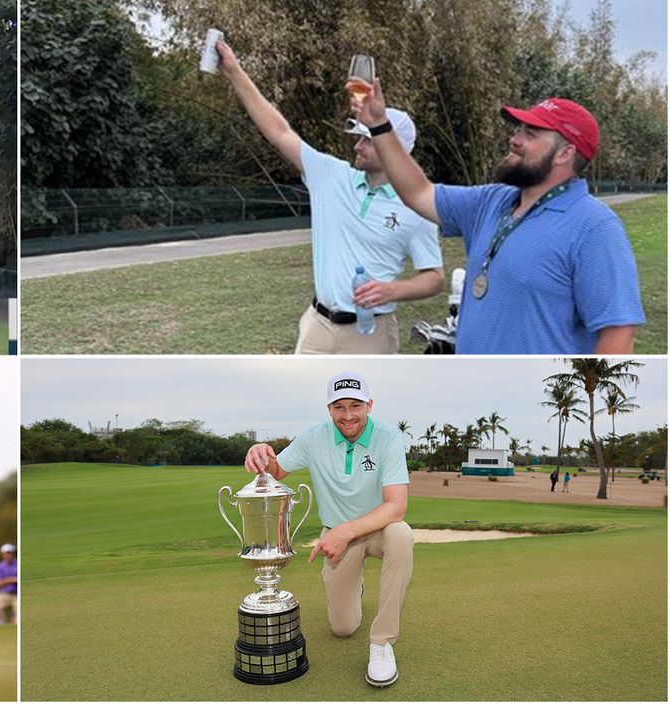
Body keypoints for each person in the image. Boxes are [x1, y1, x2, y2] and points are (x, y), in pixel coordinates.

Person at [350, 77, 644, 353]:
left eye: (530, 134)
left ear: (564, 153)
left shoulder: (594, 228)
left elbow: (618, 334)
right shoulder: (492, 200)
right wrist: (379, 126)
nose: (514, 139)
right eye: (518, 130)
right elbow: (418, 193)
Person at [214, 39, 443, 354]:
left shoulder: (417, 207)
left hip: (372, 334)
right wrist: (234, 71)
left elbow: (434, 278)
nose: (357, 146)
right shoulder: (331, 176)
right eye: (358, 138)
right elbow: (280, 132)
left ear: (396, 148)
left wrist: (393, 290)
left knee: (363, 404)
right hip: (317, 328)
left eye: (367, 141)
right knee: (301, 403)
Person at [243, 371, 412, 687]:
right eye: (339, 407)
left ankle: (382, 642)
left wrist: (346, 531)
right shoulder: (314, 436)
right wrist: (261, 454)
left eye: (355, 406)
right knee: (343, 628)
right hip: (338, 537)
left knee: (402, 534)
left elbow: (396, 506)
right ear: (329, 409)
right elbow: (276, 471)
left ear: (369, 405)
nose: (348, 416)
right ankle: (355, 588)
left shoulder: (388, 437)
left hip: (376, 530)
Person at [0, 543, 18, 624]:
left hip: (18, 594)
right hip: (4, 594)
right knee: (4, 620)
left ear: (13, 553)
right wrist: (12, 580)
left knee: (19, 617)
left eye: (9, 553)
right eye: (5, 553)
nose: (7, 555)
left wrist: (6, 580)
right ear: (2, 555)